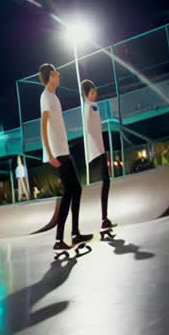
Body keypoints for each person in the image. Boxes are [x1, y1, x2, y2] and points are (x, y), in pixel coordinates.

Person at [39, 64, 92, 250]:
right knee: (72, 191)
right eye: (56, 73)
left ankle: (72, 234)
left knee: (73, 191)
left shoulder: (53, 97)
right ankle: (61, 238)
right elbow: (43, 126)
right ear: (50, 77)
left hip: (64, 151)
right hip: (58, 154)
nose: (59, 75)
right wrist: (50, 154)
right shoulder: (46, 97)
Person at [81, 79, 116, 231]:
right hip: (97, 149)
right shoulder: (88, 107)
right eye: (93, 92)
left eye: (96, 92)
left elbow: (96, 127)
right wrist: (97, 148)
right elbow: (88, 128)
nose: (96, 95)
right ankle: (104, 218)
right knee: (106, 181)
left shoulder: (94, 105)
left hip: (100, 148)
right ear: (87, 94)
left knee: (106, 181)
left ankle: (105, 218)